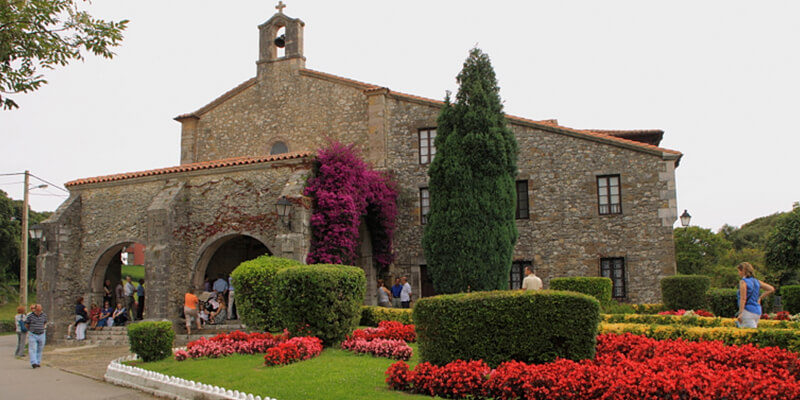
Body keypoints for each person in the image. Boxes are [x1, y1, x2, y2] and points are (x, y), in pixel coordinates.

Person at [736, 262, 775, 328]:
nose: (738, 273)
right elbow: (771, 289)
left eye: (739, 271)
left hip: (747, 310)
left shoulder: (743, 282)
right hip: (757, 311)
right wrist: (760, 298)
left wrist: (740, 313)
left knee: (749, 334)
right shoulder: (756, 281)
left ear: (743, 271)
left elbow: (743, 298)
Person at [25, 304, 47, 369]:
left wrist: (42, 328)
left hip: (41, 334)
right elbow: (27, 324)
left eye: (40, 310)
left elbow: (45, 322)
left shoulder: (44, 315)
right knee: (33, 349)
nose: (39, 311)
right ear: (35, 309)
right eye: (37, 310)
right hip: (33, 334)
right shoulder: (30, 316)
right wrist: (30, 330)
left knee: (40, 349)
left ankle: (38, 362)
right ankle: (33, 362)